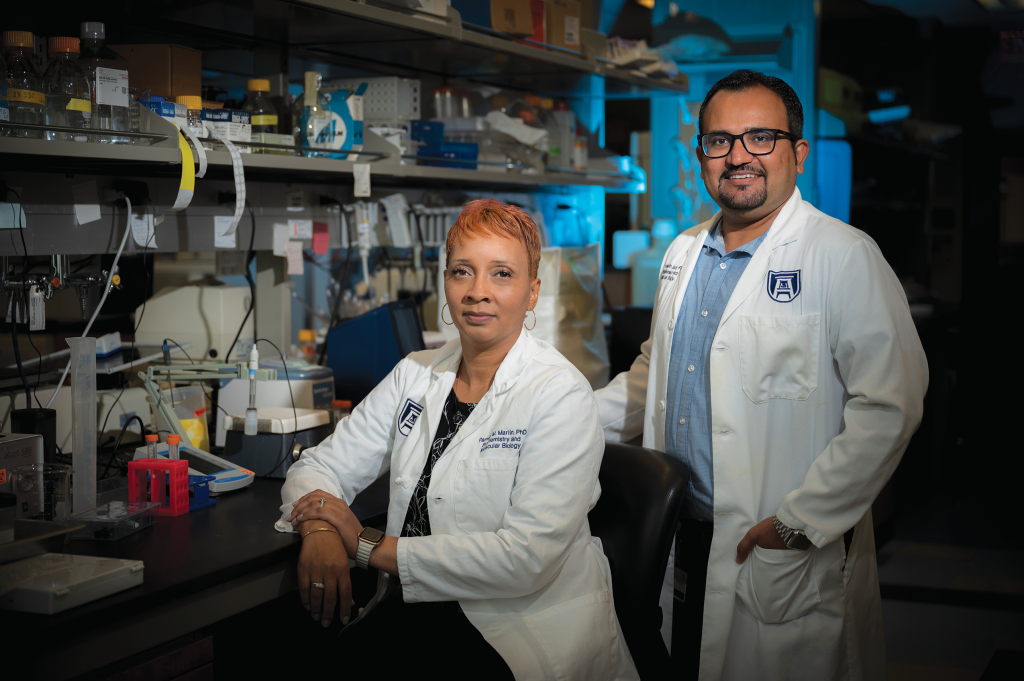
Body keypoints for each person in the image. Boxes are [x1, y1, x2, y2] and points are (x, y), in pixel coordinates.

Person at [595, 69, 928, 681]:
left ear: (798, 153)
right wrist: (561, 421)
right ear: (701, 155)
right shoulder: (682, 252)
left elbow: (890, 406)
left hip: (772, 541)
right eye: (719, 141)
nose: (738, 156)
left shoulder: (842, 255)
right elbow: (655, 375)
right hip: (679, 533)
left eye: (760, 138)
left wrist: (798, 523)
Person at [276, 199, 639, 680]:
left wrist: (365, 545)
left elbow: (524, 558)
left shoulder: (559, 394)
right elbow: (317, 467)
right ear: (445, 281)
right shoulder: (416, 373)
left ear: (533, 293)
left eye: (502, 274)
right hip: (418, 609)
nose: (477, 293)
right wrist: (320, 529)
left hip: (515, 626)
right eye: (462, 272)